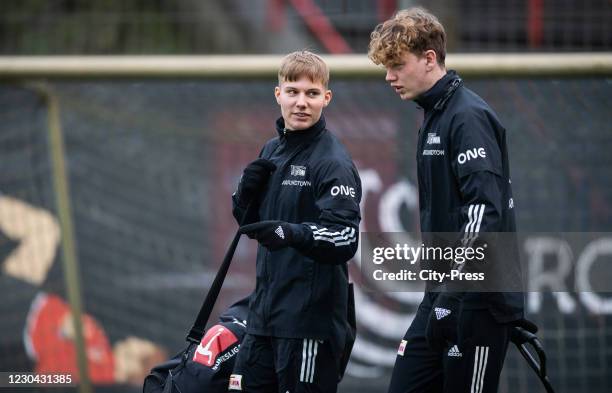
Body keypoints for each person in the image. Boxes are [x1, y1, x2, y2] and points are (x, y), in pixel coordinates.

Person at [368, 8, 524, 393]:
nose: (389, 77)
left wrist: (451, 296)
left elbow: (482, 216)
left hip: (476, 301)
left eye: (397, 65)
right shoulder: (434, 115)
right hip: (442, 294)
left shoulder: (467, 117)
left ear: (429, 58)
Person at [229, 51, 362, 392]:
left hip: (309, 327)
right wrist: (244, 195)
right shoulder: (270, 150)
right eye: (293, 92)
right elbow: (251, 224)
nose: (301, 102)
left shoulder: (333, 161)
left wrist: (291, 232)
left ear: (326, 99)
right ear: (278, 95)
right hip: (262, 322)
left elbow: (345, 238)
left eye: (312, 93)